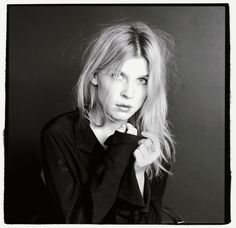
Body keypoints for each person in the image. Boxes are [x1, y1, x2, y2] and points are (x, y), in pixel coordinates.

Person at [41, 21, 176, 224]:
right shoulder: (60, 134)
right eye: (118, 76)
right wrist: (121, 148)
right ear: (95, 75)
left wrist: (138, 174)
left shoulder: (155, 142)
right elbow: (80, 221)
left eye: (142, 81)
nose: (129, 93)